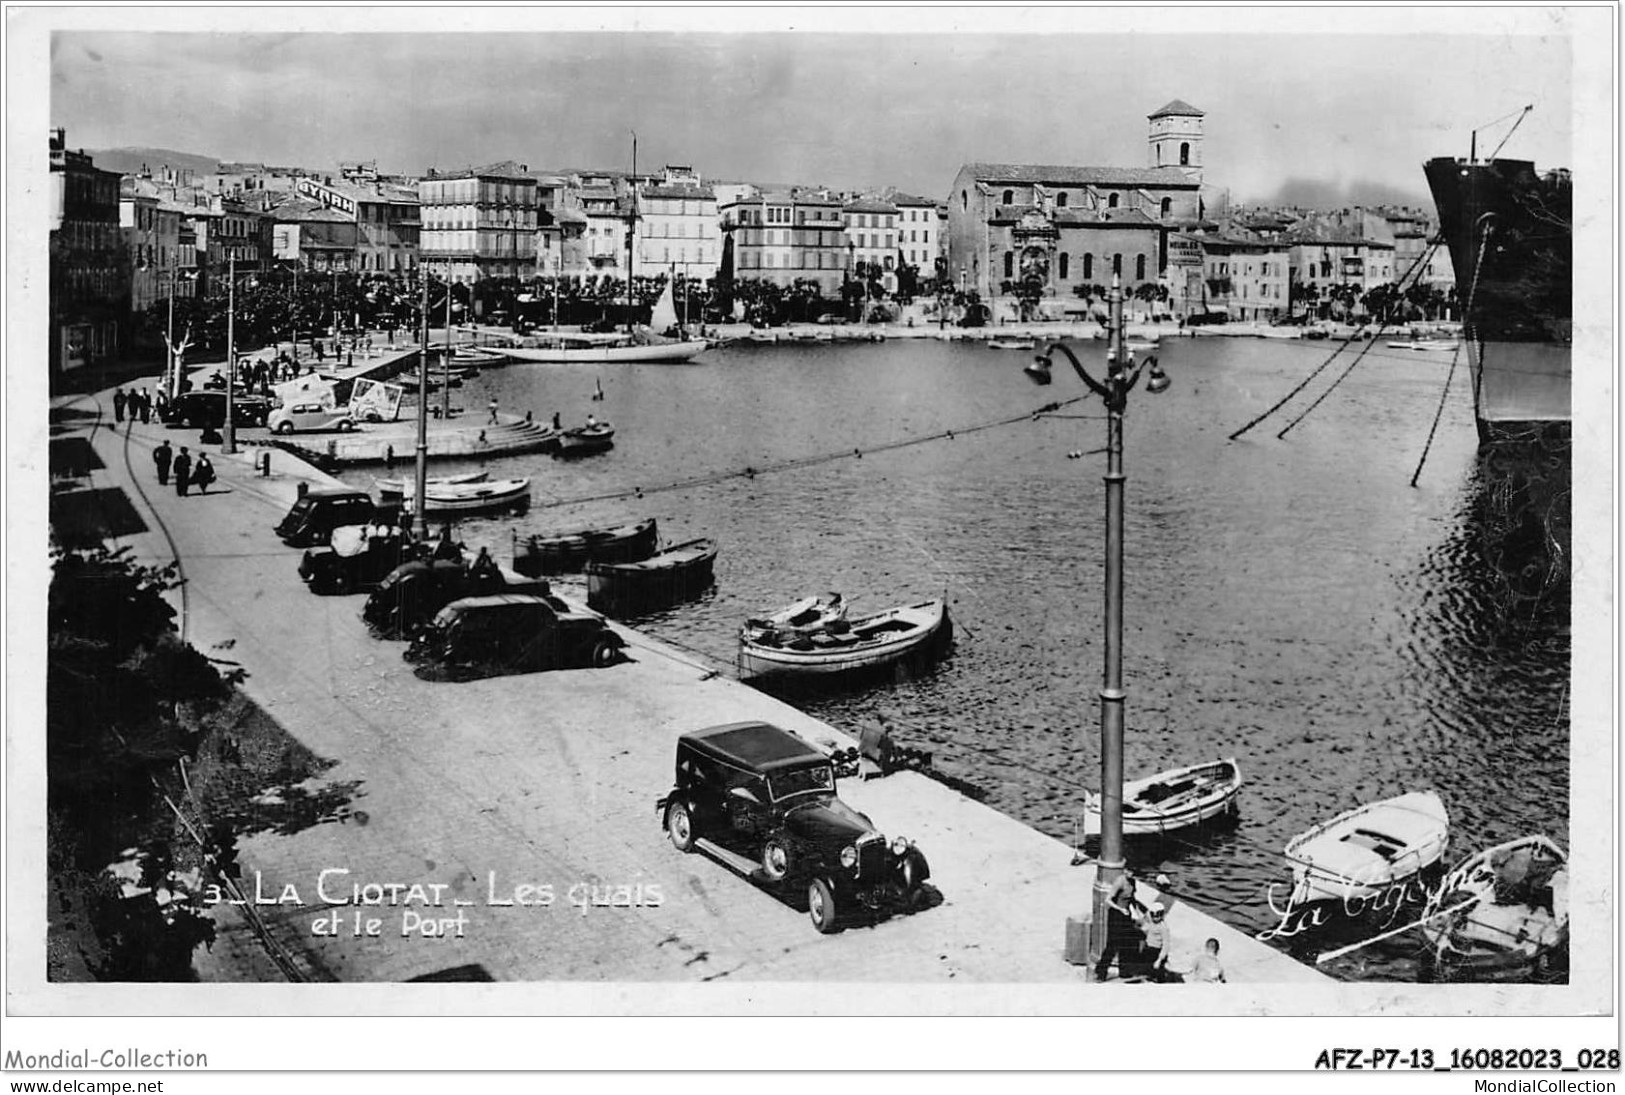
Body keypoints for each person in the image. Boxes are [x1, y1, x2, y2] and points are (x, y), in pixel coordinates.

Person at [1093, 871, 1146, 983]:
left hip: (1126, 914)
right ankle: (1101, 972)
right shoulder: (1120, 881)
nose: (1131, 874)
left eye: (1133, 872)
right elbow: (1108, 900)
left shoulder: (1132, 881)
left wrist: (1138, 913)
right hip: (1116, 915)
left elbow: (1132, 899)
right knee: (1113, 945)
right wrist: (1120, 909)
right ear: (1125, 870)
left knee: (1127, 943)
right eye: (1129, 871)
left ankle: (1125, 971)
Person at [1138, 902, 1177, 982]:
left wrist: (1159, 960)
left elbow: (1166, 945)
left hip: (1157, 952)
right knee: (1147, 971)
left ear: (1162, 915)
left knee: (1158, 973)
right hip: (1149, 949)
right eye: (1153, 915)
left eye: (1158, 915)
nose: (1155, 918)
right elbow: (1144, 912)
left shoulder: (1163, 928)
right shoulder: (1151, 921)